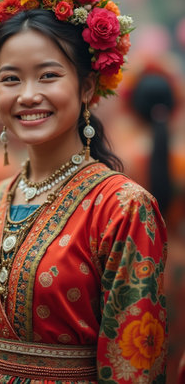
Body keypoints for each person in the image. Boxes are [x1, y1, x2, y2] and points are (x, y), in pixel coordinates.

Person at [0, 0, 167, 383]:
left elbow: (133, 365)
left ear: (87, 88)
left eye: (48, 75)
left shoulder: (122, 208)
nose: (28, 95)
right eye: (11, 79)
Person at [96, 55, 185, 384]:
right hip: (179, 264)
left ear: (131, 108)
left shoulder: (121, 162)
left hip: (133, 270)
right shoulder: (181, 160)